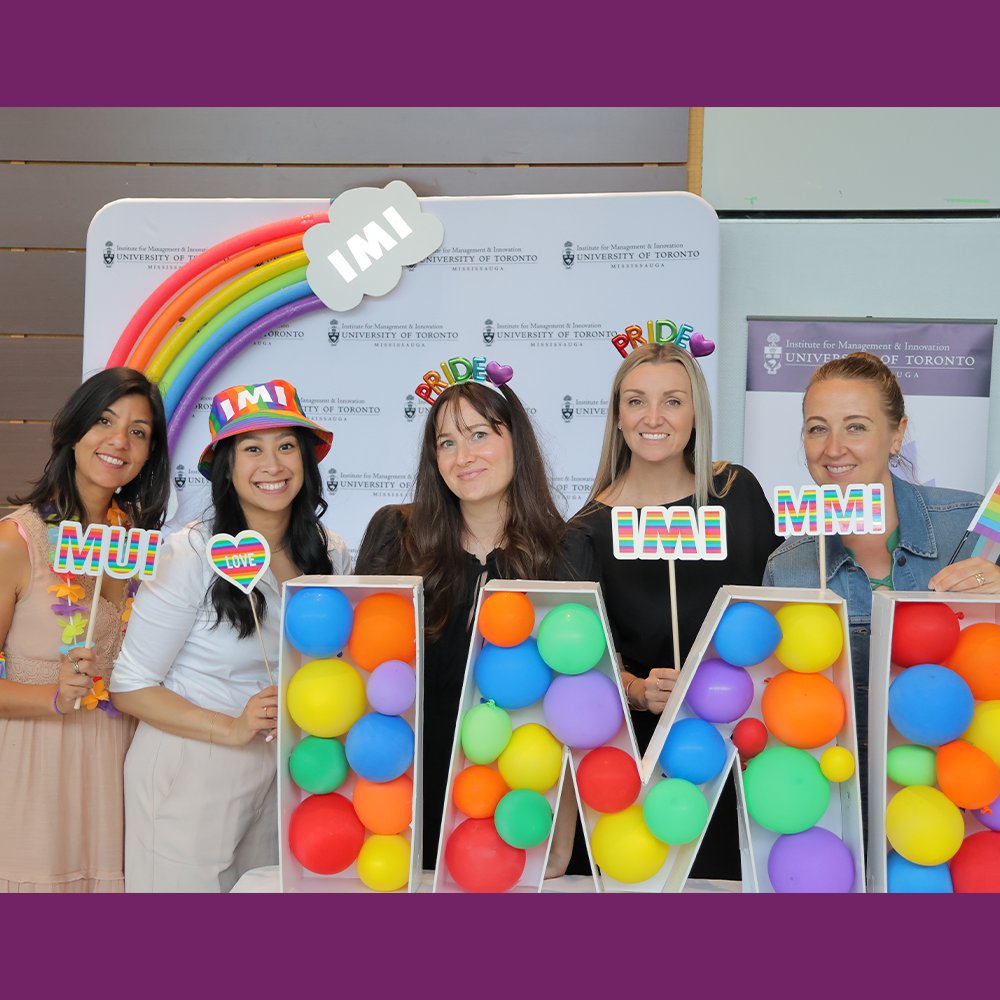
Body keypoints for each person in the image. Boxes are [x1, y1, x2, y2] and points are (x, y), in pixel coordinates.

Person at [110, 379, 351, 892]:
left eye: (286, 446)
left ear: (306, 459)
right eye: (252, 449)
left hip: (285, 769)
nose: (273, 464)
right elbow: (129, 685)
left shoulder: (331, 552)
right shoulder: (190, 553)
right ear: (227, 467)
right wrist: (231, 727)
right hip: (192, 762)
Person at [355, 379, 592, 869]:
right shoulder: (396, 536)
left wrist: (560, 837)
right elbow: (360, 681)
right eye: (447, 442)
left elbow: (577, 704)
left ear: (516, 442)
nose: (463, 456)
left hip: (513, 812)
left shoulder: (566, 552)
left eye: (479, 434)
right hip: (403, 803)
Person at [573, 342, 779, 880]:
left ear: (696, 413)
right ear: (618, 418)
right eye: (636, 401)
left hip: (743, 747)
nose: (654, 418)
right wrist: (636, 690)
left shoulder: (738, 494)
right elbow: (579, 660)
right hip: (645, 759)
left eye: (672, 401)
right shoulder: (587, 530)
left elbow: (780, 602)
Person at [763, 352, 1000, 790]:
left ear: (897, 435)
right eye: (818, 428)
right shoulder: (788, 566)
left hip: (965, 801)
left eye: (856, 426)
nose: (834, 448)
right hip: (840, 800)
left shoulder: (973, 526)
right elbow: (775, 698)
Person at [0, 367, 170, 892]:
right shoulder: (17, 542)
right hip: (34, 776)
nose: (119, 441)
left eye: (138, 431)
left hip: (121, 775)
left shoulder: (141, 547)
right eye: (104, 421)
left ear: (149, 454)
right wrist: (53, 695)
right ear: (74, 431)